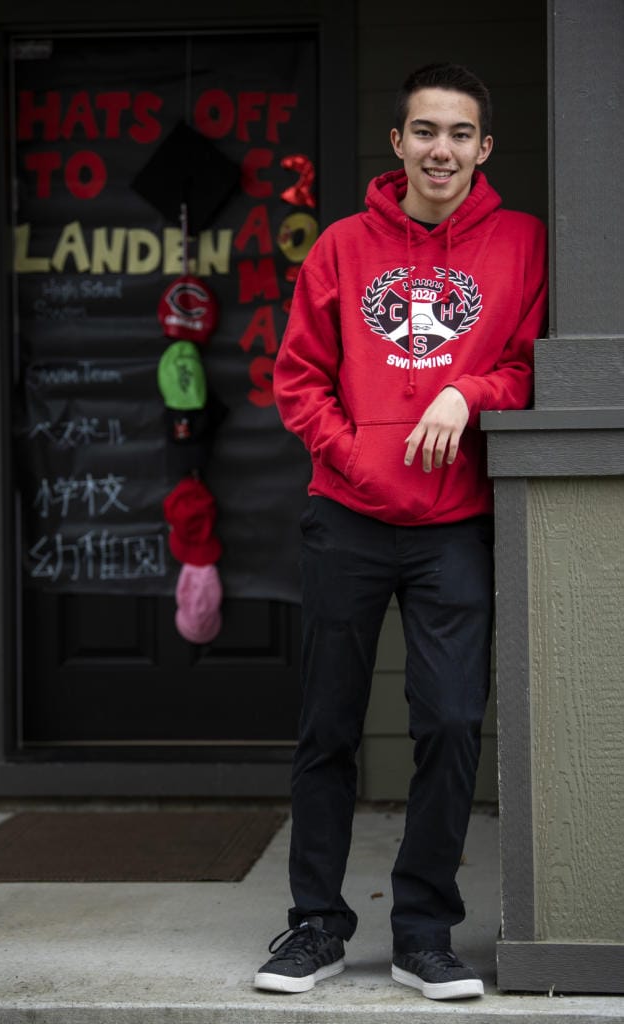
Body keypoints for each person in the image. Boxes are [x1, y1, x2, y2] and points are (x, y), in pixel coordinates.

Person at [253, 62, 548, 1002]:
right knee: (328, 726)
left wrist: (468, 389)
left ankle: (425, 931)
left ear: (484, 148)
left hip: (454, 526)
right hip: (346, 517)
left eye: (460, 134)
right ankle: (315, 927)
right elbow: (298, 378)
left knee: (452, 723)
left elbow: (526, 364)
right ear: (398, 143)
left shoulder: (520, 244)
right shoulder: (342, 245)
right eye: (425, 131)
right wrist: (353, 458)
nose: (441, 151)